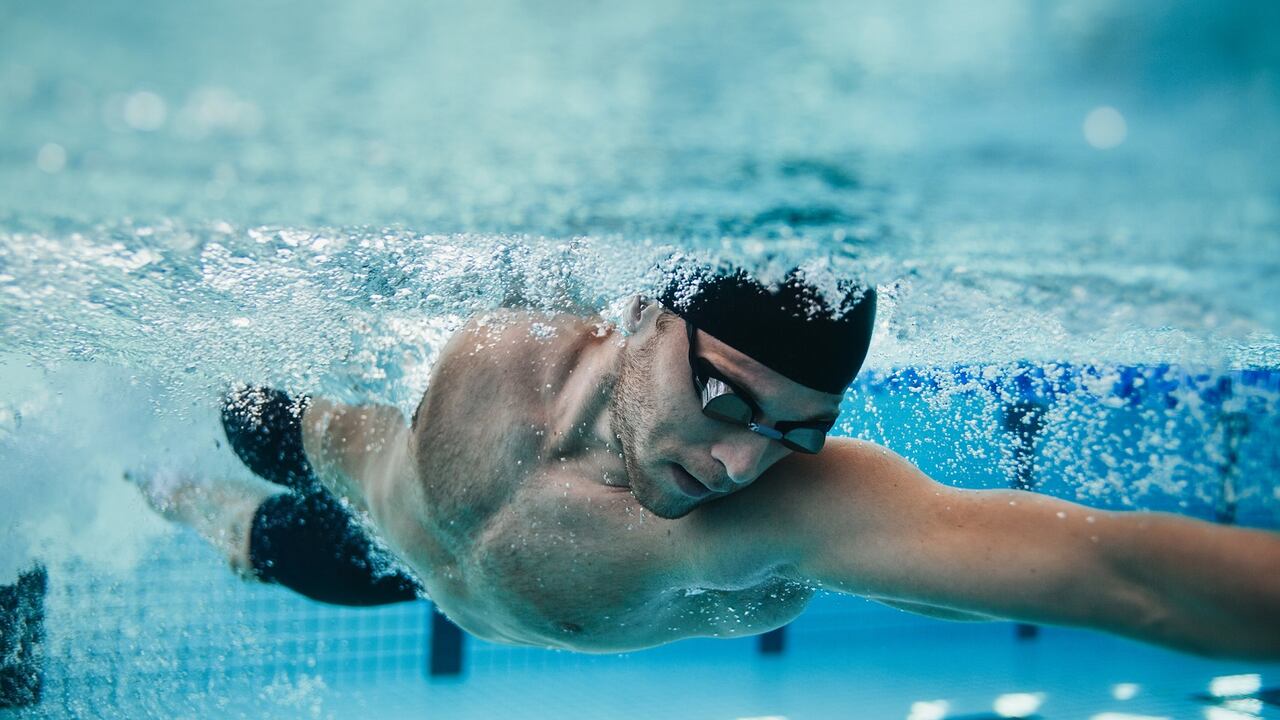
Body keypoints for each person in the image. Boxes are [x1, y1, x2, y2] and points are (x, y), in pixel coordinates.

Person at [133, 263, 1280, 659]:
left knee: (241, 535)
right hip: (348, 461)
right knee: (230, 410)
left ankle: (183, 506)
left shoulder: (780, 520)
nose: (738, 463)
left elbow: (1112, 573)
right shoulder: (510, 324)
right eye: (725, 397)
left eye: (792, 431)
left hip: (399, 572)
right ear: (640, 315)